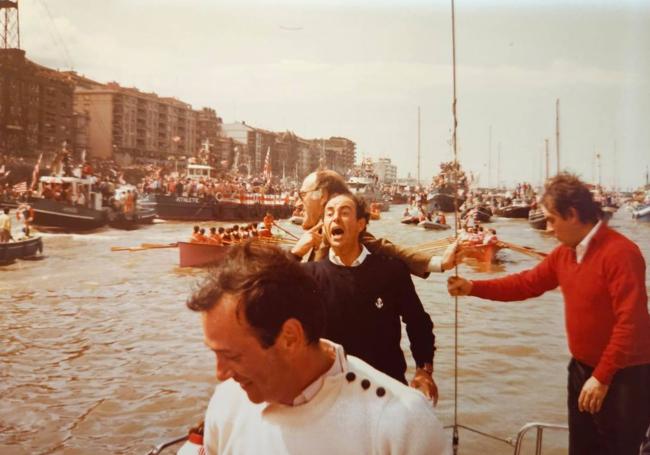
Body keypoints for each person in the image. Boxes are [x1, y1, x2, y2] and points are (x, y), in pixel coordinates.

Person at [448, 173, 650, 455]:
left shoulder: (621, 253)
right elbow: (525, 283)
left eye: (552, 219)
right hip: (581, 370)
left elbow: (631, 323)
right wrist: (472, 287)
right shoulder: (564, 254)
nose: (549, 228)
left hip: (623, 377)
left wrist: (602, 377)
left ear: (573, 214)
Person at [186, 242, 450, 455]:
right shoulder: (226, 404)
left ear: (290, 337)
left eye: (231, 355)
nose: (220, 374)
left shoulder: (404, 425)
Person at [303, 193, 438, 403]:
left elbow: (417, 322)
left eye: (344, 212)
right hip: (329, 396)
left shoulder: (391, 270)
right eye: (329, 214)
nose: (335, 218)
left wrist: (424, 369)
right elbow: (268, 308)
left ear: (360, 224)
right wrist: (295, 252)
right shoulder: (308, 275)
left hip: (385, 391)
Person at [291, 169, 459, 277]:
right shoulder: (314, 237)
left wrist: (440, 263)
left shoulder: (347, 238)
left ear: (323, 196)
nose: (298, 203)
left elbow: (385, 248)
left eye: (302, 194)